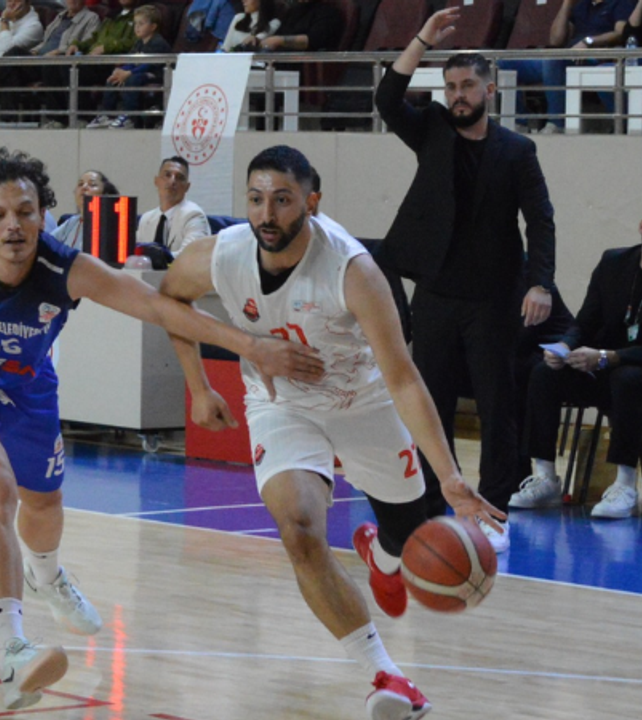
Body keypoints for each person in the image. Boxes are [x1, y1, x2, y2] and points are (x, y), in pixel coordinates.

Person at [0, 146, 322, 710]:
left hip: (28, 387)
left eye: (25, 212)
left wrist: (249, 346)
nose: (13, 225)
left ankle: (47, 574)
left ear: (43, 216)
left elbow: (161, 309)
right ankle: (12, 649)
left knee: (45, 504)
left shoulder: (67, 269)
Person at [160, 145, 504, 720]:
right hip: (281, 406)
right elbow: (169, 299)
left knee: (407, 530)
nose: (266, 213)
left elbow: (403, 376)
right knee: (299, 530)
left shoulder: (354, 270)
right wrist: (198, 387)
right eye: (256, 199)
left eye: (282, 200)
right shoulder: (222, 254)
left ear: (311, 202)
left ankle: (383, 556)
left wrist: (449, 476)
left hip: (363, 402)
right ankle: (385, 674)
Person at [373, 10, 557, 553]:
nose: (457, 95)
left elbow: (540, 220)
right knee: (430, 406)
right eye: (450, 86)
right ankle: (435, 509)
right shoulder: (431, 130)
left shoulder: (517, 151)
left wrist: (541, 283)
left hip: (493, 299)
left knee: (498, 407)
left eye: (467, 86)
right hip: (435, 293)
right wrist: (423, 38)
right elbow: (387, 99)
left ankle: (493, 513)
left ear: (489, 90)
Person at [512, 195, 642, 519]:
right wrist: (564, 347)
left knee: (627, 379)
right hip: (612, 368)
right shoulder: (614, 262)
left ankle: (625, 485)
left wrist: (608, 357)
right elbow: (585, 322)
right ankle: (546, 478)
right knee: (544, 372)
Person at [499, 0, 633, 133]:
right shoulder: (582, 5)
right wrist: (566, 4)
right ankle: (519, 122)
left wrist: (589, 41)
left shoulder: (621, 3)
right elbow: (556, 40)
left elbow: (620, 33)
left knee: (554, 60)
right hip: (568, 57)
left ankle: (557, 123)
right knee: (502, 63)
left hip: (596, 57)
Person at [85, 5, 170, 130]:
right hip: (140, 72)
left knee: (132, 79)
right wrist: (122, 70)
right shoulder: (138, 43)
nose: (137, 27)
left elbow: (148, 64)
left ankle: (131, 117)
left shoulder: (158, 42)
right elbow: (132, 60)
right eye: (135, 23)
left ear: (153, 27)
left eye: (141, 24)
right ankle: (107, 114)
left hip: (156, 74)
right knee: (113, 79)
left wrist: (129, 73)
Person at [135, 157, 211, 258]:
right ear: (156, 181)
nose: (172, 181)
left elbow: (189, 256)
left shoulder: (194, 216)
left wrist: (158, 257)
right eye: (167, 175)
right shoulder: (146, 219)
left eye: (179, 177)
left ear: (187, 187)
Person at [52, 169, 119, 248]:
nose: (84, 187)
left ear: (105, 194)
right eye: (80, 184)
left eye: (92, 184)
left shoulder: (111, 225)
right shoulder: (71, 222)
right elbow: (47, 243)